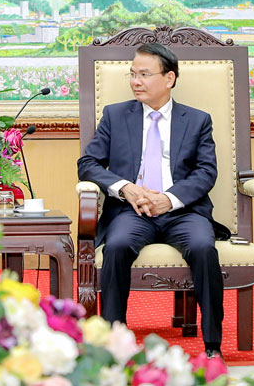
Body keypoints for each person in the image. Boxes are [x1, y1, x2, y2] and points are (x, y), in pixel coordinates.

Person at [77, 42, 228, 360]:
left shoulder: (198, 120)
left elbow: (205, 173)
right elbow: (88, 164)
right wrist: (125, 188)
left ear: (169, 78)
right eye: (132, 74)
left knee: (203, 247)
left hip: (183, 211)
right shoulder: (116, 116)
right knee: (116, 247)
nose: (136, 81)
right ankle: (113, 340)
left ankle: (212, 344)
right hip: (131, 211)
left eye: (144, 74)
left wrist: (169, 200)